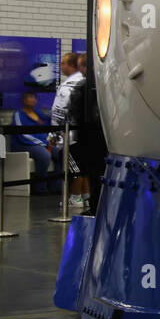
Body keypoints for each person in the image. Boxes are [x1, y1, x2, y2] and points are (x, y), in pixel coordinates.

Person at [68, 53, 107, 215]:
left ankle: (95, 204)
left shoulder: (81, 87)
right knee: (99, 172)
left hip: (87, 136)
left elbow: (73, 112)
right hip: (103, 136)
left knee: (92, 172)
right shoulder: (105, 85)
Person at [50, 52, 88, 207]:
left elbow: (59, 112)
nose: (61, 66)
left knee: (74, 167)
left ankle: (76, 196)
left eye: (63, 63)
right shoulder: (85, 82)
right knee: (84, 165)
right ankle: (86, 194)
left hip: (69, 135)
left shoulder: (67, 87)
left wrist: (53, 135)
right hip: (84, 133)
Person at [12, 91, 54, 194]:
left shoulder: (38, 113)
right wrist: (43, 143)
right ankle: (40, 188)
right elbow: (22, 134)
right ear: (24, 100)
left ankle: (56, 187)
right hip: (23, 144)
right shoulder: (19, 114)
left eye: (34, 97)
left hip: (42, 143)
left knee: (60, 153)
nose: (32, 100)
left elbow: (48, 124)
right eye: (29, 97)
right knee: (45, 156)